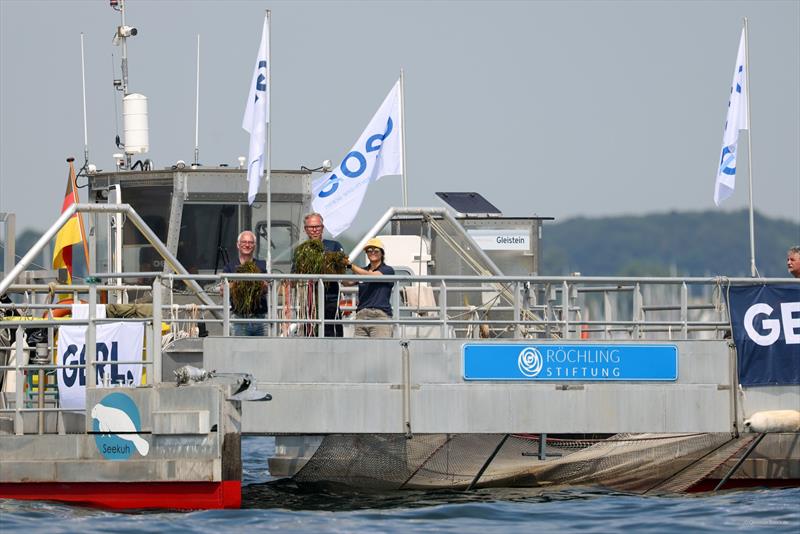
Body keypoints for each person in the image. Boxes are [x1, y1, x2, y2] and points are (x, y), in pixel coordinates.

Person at [292, 213, 346, 337]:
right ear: (306, 230)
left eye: (318, 226)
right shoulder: (301, 250)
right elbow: (294, 273)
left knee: (332, 334)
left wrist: (339, 266)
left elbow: (345, 267)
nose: (315, 229)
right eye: (311, 227)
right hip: (309, 301)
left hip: (330, 299)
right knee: (310, 334)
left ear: (323, 227)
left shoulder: (334, 246)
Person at [347, 237, 395, 338]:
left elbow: (372, 276)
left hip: (380, 315)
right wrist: (337, 266)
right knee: (359, 351)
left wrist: (351, 266)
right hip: (361, 315)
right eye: (369, 250)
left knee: (381, 351)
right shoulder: (362, 271)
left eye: (376, 250)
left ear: (382, 253)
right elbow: (347, 282)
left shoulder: (388, 270)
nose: (372, 252)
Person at [223, 230, 268, 336]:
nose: (247, 245)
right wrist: (238, 284)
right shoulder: (230, 267)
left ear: (254, 245)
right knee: (240, 350)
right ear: (238, 245)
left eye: (250, 242)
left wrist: (260, 284)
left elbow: (267, 287)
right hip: (239, 318)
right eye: (244, 242)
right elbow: (223, 290)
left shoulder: (262, 265)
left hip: (260, 318)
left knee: (264, 350)